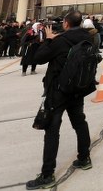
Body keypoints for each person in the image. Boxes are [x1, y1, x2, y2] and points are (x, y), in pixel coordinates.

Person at [26, 11, 94, 190]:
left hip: (58, 91)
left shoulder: (60, 41)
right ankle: (84, 158)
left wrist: (48, 40)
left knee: (52, 129)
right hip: (78, 89)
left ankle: (47, 174)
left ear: (66, 24)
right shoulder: (88, 37)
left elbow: (38, 58)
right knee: (79, 122)